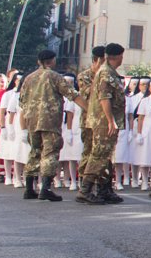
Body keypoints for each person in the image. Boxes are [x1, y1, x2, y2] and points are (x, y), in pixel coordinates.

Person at [19, 50, 88, 201]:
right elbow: (73, 95)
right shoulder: (55, 76)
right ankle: (46, 188)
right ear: (52, 61)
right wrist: (89, 109)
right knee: (50, 153)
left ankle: (29, 188)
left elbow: (21, 101)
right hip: (49, 120)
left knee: (34, 151)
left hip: (32, 120)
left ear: (39, 61)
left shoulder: (28, 78)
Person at [78, 43, 126, 205]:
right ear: (118, 56)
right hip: (103, 122)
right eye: (121, 56)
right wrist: (110, 120)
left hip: (106, 121)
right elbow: (104, 98)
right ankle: (85, 190)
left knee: (106, 157)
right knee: (99, 155)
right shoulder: (105, 73)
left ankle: (104, 189)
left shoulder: (109, 72)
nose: (122, 59)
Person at [77, 47, 106, 185]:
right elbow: (90, 94)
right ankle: (84, 181)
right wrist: (97, 75)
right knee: (88, 151)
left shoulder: (107, 75)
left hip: (103, 121)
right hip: (89, 120)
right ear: (96, 60)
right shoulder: (84, 76)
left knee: (103, 153)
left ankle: (101, 182)